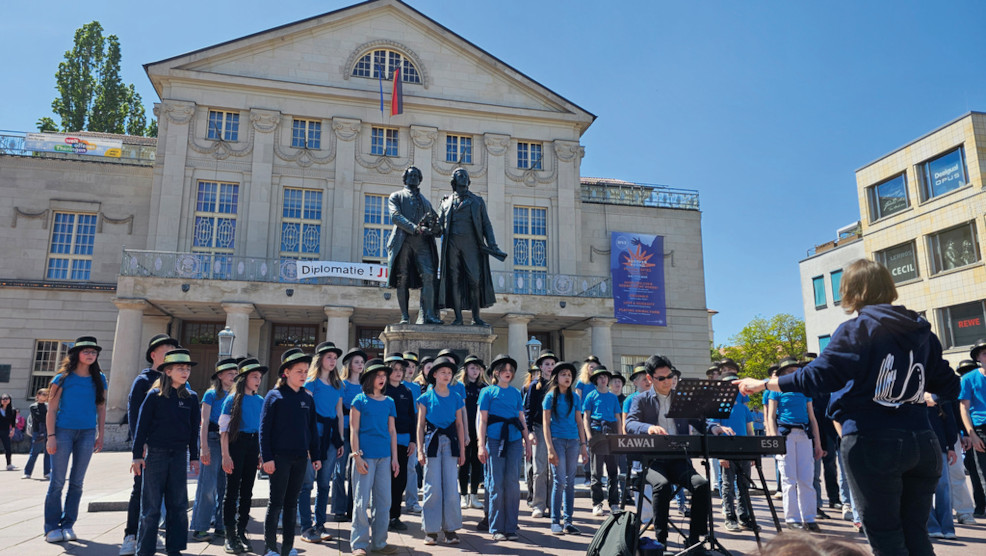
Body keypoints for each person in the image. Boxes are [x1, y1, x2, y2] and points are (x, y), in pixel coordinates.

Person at [735, 259, 962, 556]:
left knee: (886, 537)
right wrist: (917, 394)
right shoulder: (923, 334)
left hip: (873, 440)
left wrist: (765, 384)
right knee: (916, 533)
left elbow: (817, 376)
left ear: (852, 291)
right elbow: (950, 386)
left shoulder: (858, 328)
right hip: (922, 440)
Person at [625, 353, 734, 550]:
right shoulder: (640, 400)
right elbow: (630, 423)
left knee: (701, 485)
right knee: (662, 485)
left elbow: (700, 421)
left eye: (669, 376)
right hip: (652, 461)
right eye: (661, 378)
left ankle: (694, 541)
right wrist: (648, 428)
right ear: (650, 378)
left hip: (678, 459)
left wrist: (714, 427)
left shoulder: (681, 398)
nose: (667, 381)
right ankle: (661, 542)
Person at [131, 348, 201, 556]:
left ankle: (175, 548)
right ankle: (144, 550)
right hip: (156, 454)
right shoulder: (154, 395)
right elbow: (141, 427)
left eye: (187, 368)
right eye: (180, 368)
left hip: (179, 455)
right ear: (167, 371)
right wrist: (137, 456)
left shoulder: (191, 397)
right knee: (151, 506)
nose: (185, 372)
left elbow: (193, 429)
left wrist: (194, 456)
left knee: (178, 504)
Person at [44, 336, 107, 544]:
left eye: (93, 352)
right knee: (57, 482)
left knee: (77, 483)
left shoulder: (100, 378)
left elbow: (101, 407)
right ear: (76, 354)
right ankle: (52, 527)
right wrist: (51, 436)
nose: (90, 355)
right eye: (86, 351)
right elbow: (51, 409)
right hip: (63, 432)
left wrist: (101, 434)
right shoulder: (62, 378)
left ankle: (68, 524)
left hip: (87, 433)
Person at [121, 333, 180, 555]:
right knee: (141, 490)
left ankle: (151, 533)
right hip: (148, 446)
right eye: (166, 353)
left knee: (163, 492)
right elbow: (134, 414)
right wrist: (139, 444)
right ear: (154, 355)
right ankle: (131, 534)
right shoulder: (143, 381)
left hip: (170, 447)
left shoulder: (178, 381)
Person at [260, 348, 321, 556]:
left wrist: (316, 455)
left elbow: (312, 429)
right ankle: (270, 547)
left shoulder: (308, 398)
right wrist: (267, 457)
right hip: (279, 458)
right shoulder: (274, 396)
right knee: (276, 501)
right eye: (299, 371)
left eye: (305, 371)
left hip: (300, 457)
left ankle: (287, 546)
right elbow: (264, 430)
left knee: (291, 503)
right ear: (286, 372)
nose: (304, 375)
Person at [436, 167, 505, 326]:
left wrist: (492, 245)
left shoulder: (477, 201)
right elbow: (439, 226)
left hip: (472, 245)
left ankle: (476, 317)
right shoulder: (446, 201)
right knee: (454, 281)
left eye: (466, 176)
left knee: (475, 280)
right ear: (454, 180)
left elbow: (487, 225)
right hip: (452, 245)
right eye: (460, 175)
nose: (464, 177)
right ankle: (458, 317)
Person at [477, 353, 531, 541]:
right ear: (496, 373)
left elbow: (521, 418)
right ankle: (496, 527)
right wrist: (480, 445)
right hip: (494, 440)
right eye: (504, 370)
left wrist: (528, 442)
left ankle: (510, 526)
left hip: (514, 440)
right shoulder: (487, 392)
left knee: (512, 484)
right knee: (496, 483)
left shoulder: (516, 393)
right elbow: (482, 421)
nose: (508, 373)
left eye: (511, 370)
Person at [765, 357, 822, 532]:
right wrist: (775, 439)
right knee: (788, 479)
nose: (794, 373)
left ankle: (809, 517)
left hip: (803, 435)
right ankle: (792, 518)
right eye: (789, 371)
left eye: (796, 370)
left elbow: (812, 418)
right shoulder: (777, 390)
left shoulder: (805, 391)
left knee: (806, 478)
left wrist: (818, 443)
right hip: (786, 435)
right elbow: (771, 416)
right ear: (782, 374)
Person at [350, 359, 400, 556]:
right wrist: (356, 457)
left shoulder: (389, 402)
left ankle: (379, 543)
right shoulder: (359, 400)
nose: (382, 379)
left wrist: (395, 458)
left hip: (384, 458)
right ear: (369, 378)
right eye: (378, 375)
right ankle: (359, 544)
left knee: (384, 502)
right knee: (362, 502)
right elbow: (353, 430)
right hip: (365, 457)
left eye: (383, 376)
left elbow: (392, 431)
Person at [416, 356, 466, 545]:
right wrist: (420, 450)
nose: (447, 376)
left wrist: (462, 450)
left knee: (451, 488)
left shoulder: (456, 397)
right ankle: (431, 530)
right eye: (443, 372)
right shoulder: (425, 398)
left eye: (449, 373)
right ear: (434, 374)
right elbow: (420, 426)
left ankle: (450, 528)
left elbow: (460, 425)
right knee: (432, 487)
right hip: (432, 443)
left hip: (451, 443)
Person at [298, 341, 345, 544]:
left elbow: (339, 413)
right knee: (307, 483)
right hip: (312, 436)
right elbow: (304, 413)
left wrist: (341, 439)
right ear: (320, 359)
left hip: (331, 438)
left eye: (335, 358)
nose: (333, 361)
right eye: (329, 357)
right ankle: (306, 527)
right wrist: (306, 441)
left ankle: (320, 524)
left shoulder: (338, 385)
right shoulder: (311, 383)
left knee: (325, 483)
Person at [219, 358, 267, 554]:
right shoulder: (231, 400)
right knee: (231, 491)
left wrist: (261, 453)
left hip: (253, 445)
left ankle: (241, 530)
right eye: (254, 376)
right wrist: (225, 455)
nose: (258, 380)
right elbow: (223, 430)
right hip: (236, 444)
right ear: (244, 378)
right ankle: (229, 534)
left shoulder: (261, 400)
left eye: (260, 377)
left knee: (247, 491)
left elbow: (263, 430)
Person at [386, 166, 442, 325]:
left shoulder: (425, 201)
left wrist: (436, 227)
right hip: (403, 241)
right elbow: (395, 216)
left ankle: (429, 314)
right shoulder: (396, 196)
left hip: (422, 244)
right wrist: (415, 228)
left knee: (429, 276)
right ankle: (404, 316)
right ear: (405, 178)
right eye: (410, 175)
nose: (414, 178)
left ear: (420, 179)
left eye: (417, 175)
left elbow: (435, 223)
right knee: (401, 278)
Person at [190, 357, 237, 541]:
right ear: (220, 375)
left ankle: (221, 525)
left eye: (235, 373)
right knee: (207, 486)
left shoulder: (236, 395)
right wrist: (203, 447)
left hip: (230, 441)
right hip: (212, 438)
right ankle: (200, 527)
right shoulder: (211, 394)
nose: (234, 376)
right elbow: (203, 422)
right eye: (230, 373)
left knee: (225, 486)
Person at [541, 361, 587, 536]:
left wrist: (584, 446)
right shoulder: (550, 397)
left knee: (570, 483)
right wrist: (550, 448)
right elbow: (545, 424)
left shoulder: (575, 397)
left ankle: (569, 521)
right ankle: (555, 521)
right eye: (563, 374)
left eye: (569, 375)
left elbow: (579, 422)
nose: (567, 377)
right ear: (556, 377)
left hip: (573, 441)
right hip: (557, 441)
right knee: (559, 481)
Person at [711, 367, 757, 532]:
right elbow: (714, 430)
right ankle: (730, 517)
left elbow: (750, 431)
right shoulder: (719, 406)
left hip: (744, 451)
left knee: (744, 486)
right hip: (727, 452)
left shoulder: (744, 409)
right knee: (728, 486)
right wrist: (720, 455)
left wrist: (753, 453)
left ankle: (745, 517)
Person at [583, 366, 623, 515]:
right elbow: (586, 417)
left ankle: (613, 502)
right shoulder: (590, 396)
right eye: (600, 377)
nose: (603, 379)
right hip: (597, 432)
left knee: (613, 471)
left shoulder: (613, 397)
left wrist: (619, 436)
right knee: (596, 472)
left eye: (605, 377)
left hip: (611, 432)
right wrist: (588, 436)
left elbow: (618, 417)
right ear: (596, 380)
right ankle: (597, 503)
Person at [333, 347, 366, 522]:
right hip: (344, 430)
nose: (360, 365)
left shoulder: (366, 385)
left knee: (357, 471)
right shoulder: (342, 384)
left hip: (361, 432)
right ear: (349, 364)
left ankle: (353, 508)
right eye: (356, 362)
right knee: (339, 470)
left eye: (362, 362)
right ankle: (338, 508)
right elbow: (339, 409)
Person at [383, 353, 415, 532]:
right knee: (384, 480)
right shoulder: (383, 389)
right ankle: (383, 515)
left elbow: (412, 416)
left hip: (403, 441)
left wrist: (413, 440)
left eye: (401, 370)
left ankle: (395, 516)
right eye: (394, 370)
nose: (398, 373)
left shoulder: (407, 392)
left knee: (400, 479)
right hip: (385, 442)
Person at [524, 351, 557, 518]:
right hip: (538, 428)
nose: (550, 367)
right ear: (541, 367)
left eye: (552, 364)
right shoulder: (534, 386)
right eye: (547, 364)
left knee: (555, 468)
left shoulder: (559, 387)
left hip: (556, 430)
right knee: (539, 468)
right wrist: (529, 432)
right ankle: (538, 504)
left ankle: (553, 503)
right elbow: (528, 411)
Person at [924, 392, 958, 540]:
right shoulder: (910, 387)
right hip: (919, 442)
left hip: (940, 445)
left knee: (943, 486)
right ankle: (931, 526)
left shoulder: (940, 392)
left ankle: (947, 527)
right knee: (923, 487)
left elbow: (949, 420)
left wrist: (951, 446)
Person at [951, 358, 980, 523]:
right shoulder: (960, 386)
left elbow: (958, 410)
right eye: (963, 371)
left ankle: (966, 511)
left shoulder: (955, 382)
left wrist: (964, 434)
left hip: (960, 432)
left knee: (959, 473)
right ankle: (945, 514)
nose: (966, 374)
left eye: (969, 370)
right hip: (967, 431)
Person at [456, 355, 486, 510]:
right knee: (463, 462)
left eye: (477, 368)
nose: (475, 371)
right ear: (466, 369)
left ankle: (474, 495)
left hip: (479, 430)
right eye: (472, 368)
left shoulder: (484, 387)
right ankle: (463, 495)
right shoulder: (461, 386)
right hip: (463, 430)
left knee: (476, 463)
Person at [960, 338, 986, 519]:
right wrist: (971, 434)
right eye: (985, 354)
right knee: (982, 474)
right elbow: (964, 407)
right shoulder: (968, 379)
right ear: (978, 358)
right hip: (980, 428)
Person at [401, 351, 423, 515]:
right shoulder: (393, 385)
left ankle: (412, 501)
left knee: (411, 467)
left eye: (413, 366)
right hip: (397, 431)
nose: (410, 369)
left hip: (411, 431)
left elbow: (418, 413)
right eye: (407, 366)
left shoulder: (416, 387)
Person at [24, 388, 51, 479]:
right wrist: (49, 415)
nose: (45, 396)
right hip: (38, 432)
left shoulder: (49, 406)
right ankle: (27, 472)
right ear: (38, 395)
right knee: (34, 453)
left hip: (49, 431)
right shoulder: (33, 406)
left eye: (47, 394)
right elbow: (39, 417)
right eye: (43, 394)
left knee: (48, 453)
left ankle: (47, 472)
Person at [0, 392, 17, 471]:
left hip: (6, 430)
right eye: (3, 399)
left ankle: (9, 464)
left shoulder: (12, 410)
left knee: (8, 448)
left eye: (7, 399)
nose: (5, 400)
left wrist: (12, 430)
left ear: (10, 400)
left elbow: (13, 422)